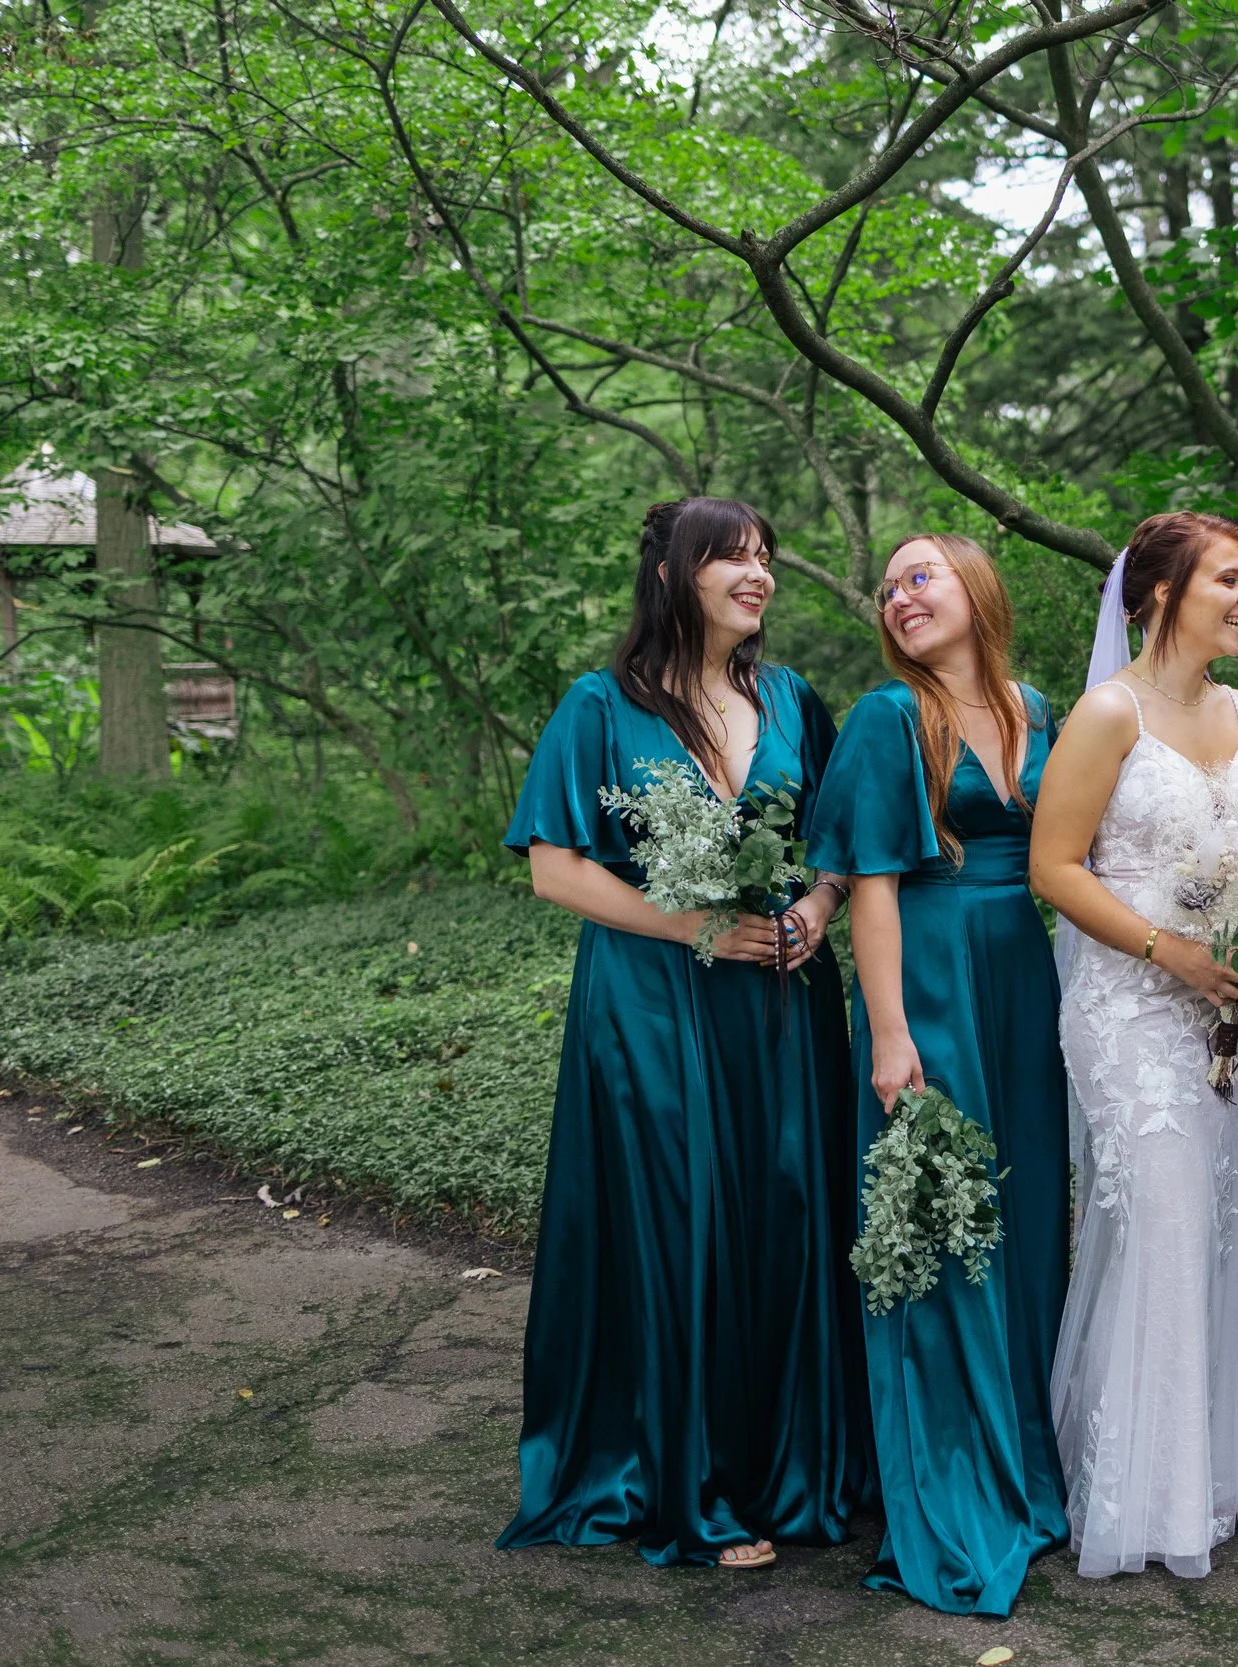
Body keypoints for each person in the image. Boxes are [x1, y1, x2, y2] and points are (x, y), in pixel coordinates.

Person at [497, 497, 871, 1569]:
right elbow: (554, 866)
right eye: (730, 558)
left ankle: (793, 1468)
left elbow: (843, 839)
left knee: (785, 1215)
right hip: (655, 1003)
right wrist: (700, 925)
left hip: (784, 1004)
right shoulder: (599, 706)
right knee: (679, 1219)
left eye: (764, 555)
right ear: (671, 572)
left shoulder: (795, 698)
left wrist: (814, 908)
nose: (757, 574)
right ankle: (687, 1481)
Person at [803, 533, 1069, 1615]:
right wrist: (889, 1032)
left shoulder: (1036, 708)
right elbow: (869, 880)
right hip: (932, 980)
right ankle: (955, 1481)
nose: (899, 595)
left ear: (977, 587)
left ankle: (1029, 1457)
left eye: (922, 575)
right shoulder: (885, 717)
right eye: (889, 586)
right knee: (944, 1226)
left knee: (1028, 1217)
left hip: (1027, 981)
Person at [1028, 510, 1238, 1580]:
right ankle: (1144, 1497)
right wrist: (1168, 950)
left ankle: (1220, 1478)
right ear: (1160, 593)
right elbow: (1054, 866)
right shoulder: (1103, 715)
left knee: (1226, 1223)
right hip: (1129, 1009)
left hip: (1233, 1008)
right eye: (1228, 579)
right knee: (1166, 1221)